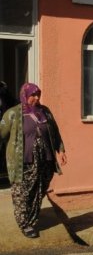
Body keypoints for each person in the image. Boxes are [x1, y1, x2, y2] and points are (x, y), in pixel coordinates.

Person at [0, 83, 67, 238]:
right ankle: (24, 223)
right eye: (33, 95)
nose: (36, 98)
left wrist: (61, 149)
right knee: (22, 193)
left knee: (39, 189)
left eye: (38, 94)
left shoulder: (45, 112)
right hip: (22, 161)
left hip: (45, 160)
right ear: (25, 95)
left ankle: (31, 216)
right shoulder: (13, 114)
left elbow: (54, 131)